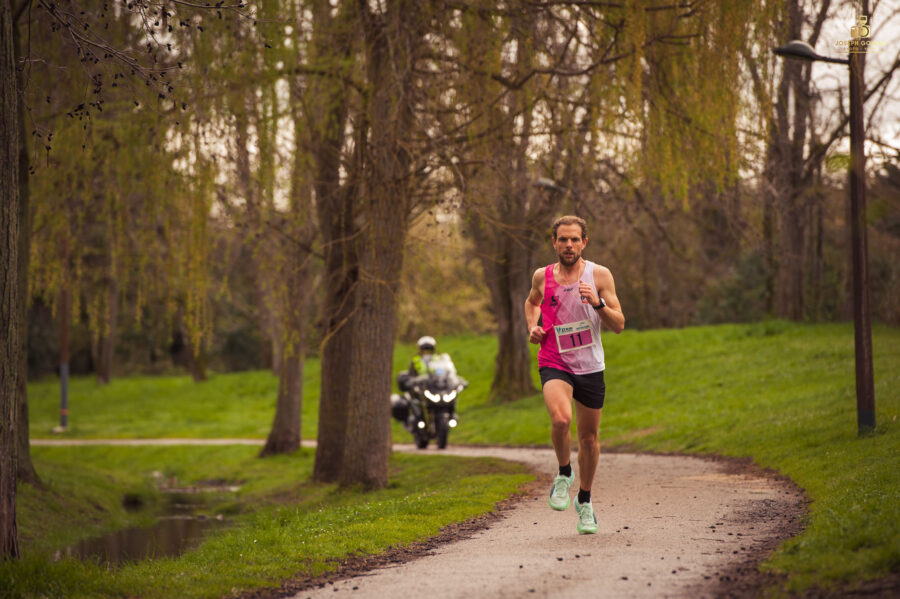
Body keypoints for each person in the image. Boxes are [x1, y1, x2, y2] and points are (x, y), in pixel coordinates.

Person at [523, 215, 625, 534]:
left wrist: (598, 303)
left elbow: (619, 324)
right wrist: (533, 327)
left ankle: (585, 499)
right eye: (562, 239)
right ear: (554, 242)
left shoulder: (600, 275)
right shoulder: (543, 275)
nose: (568, 245)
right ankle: (564, 472)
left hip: (591, 365)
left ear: (584, 242)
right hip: (555, 359)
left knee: (590, 439)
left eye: (574, 239)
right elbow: (531, 302)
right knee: (561, 419)